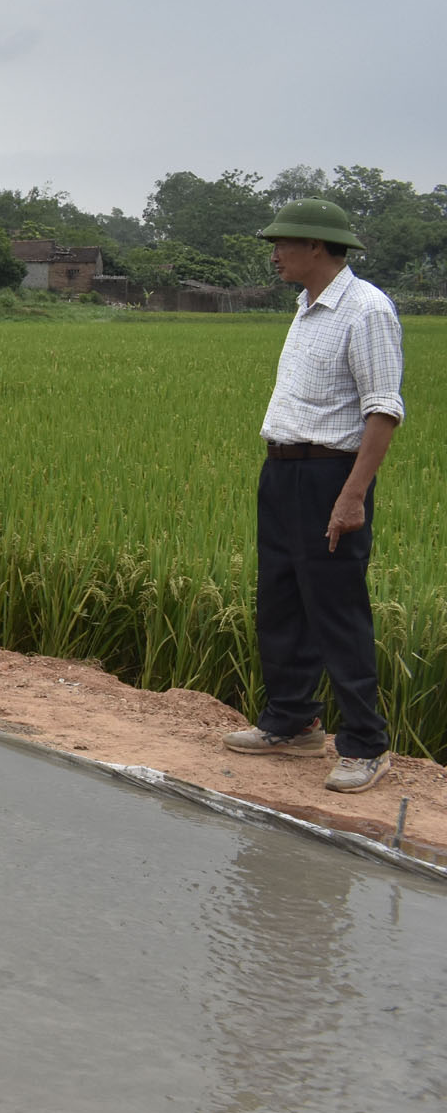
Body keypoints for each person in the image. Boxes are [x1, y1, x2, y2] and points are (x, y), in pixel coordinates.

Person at [223, 198, 403, 794]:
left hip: (331, 475)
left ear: (319, 247)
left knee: (335, 606)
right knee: (280, 599)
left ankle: (365, 744)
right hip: (281, 471)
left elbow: (383, 411)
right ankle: (292, 720)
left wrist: (352, 497)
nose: (274, 255)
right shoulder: (306, 308)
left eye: (284, 244)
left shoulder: (366, 310)